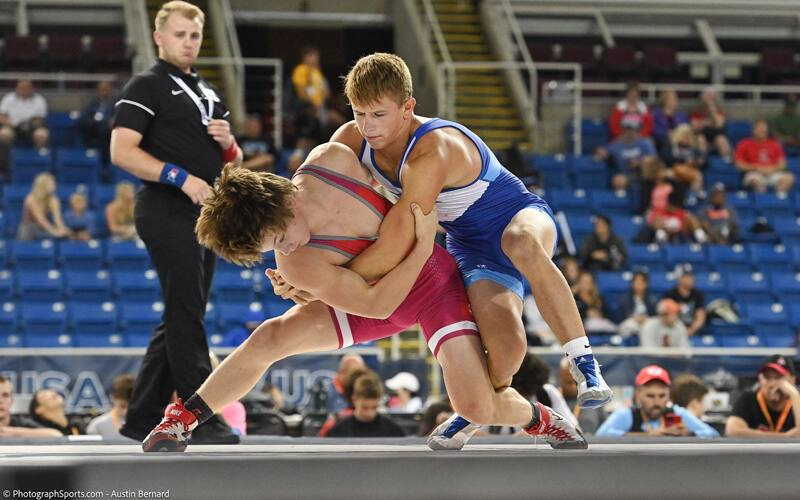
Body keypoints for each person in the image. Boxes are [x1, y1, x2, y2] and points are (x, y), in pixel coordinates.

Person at [140, 143, 586, 452]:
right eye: (270, 250)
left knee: (474, 404)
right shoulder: (297, 262)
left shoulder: (332, 161)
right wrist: (418, 241)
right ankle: (184, 417)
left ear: (281, 203)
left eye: (278, 236)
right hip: (382, 296)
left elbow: (382, 137)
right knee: (269, 338)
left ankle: (539, 417)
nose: (284, 250)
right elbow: (376, 305)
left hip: (434, 285)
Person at [324, 53, 611, 448]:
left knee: (521, 244)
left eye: (379, 114)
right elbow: (318, 196)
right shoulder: (350, 140)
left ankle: (585, 363)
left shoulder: (432, 151)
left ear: (408, 108)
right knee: (507, 351)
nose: (368, 126)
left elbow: (399, 237)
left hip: (518, 215)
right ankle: (476, 411)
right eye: (359, 114)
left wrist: (330, 279)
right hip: (471, 245)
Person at [109, 0, 242, 445]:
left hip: (203, 210)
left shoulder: (207, 90)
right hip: (166, 206)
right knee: (186, 313)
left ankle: (141, 414)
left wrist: (229, 145)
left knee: (183, 313)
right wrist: (179, 177)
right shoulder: (146, 85)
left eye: (195, 36)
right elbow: (121, 151)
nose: (189, 43)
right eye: (180, 34)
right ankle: (198, 416)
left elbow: (233, 160)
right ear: (159, 37)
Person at [595, 365, 719, 438]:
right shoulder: (627, 415)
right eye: (650, 396)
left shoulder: (676, 413)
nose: (657, 402)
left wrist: (689, 433)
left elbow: (713, 434)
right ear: (638, 395)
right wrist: (647, 436)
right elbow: (601, 436)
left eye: (662, 396)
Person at [725, 355, 800, 437]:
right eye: (767, 378)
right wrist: (786, 437)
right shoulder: (748, 399)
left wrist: (794, 395)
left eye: (778, 377)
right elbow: (732, 431)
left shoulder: (796, 400)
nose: (771, 384)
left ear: (792, 380)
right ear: (760, 379)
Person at [327, 371, 405, 438]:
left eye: (374, 407)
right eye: (364, 407)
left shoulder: (393, 430)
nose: (369, 413)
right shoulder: (339, 431)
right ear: (354, 399)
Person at [734, 119, 795, 194]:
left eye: (764, 129)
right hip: (754, 173)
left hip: (772, 172)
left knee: (789, 178)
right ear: (753, 130)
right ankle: (761, 201)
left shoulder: (774, 144)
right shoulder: (744, 144)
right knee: (756, 182)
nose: (762, 131)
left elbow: (783, 164)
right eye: (759, 129)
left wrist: (772, 169)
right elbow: (739, 164)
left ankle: (777, 199)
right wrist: (756, 167)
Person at [17, 172, 69, 240]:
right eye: (52, 183)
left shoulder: (54, 200)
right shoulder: (31, 199)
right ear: (43, 185)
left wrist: (62, 229)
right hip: (29, 227)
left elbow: (57, 219)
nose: (55, 185)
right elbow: (41, 220)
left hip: (44, 227)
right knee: (28, 231)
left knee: (66, 235)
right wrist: (54, 232)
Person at [0, 79, 49, 148]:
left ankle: (39, 155)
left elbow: (40, 118)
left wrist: (31, 124)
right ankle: (6, 156)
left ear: (31, 88)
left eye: (26, 88)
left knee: (42, 134)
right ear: (17, 88)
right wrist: (12, 124)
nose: (24, 90)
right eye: (21, 88)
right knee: (4, 133)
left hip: (32, 127)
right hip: (12, 126)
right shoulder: (8, 98)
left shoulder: (39, 100)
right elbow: (1, 116)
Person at [86, 374, 135, 439]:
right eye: (122, 406)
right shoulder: (97, 426)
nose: (126, 411)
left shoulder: (146, 425)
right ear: (112, 398)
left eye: (131, 406)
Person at [663, 264, 706, 336]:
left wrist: (691, 329)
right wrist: (681, 330)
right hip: (674, 332)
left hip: (693, 332)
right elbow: (668, 317)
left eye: (691, 275)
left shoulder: (698, 295)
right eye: (687, 276)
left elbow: (700, 316)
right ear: (679, 278)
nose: (691, 278)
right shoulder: (670, 295)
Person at [690, 87, 731, 159]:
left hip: (716, 137)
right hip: (702, 136)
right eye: (707, 97)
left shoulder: (719, 112)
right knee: (700, 139)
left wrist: (712, 109)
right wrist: (707, 122)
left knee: (721, 139)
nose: (709, 100)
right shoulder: (696, 112)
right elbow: (694, 128)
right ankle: (702, 161)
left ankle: (726, 162)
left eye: (711, 97)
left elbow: (719, 124)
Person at [79, 80, 115, 159]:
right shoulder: (93, 103)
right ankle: (88, 152)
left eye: (106, 89)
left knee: (103, 126)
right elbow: (85, 116)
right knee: (82, 122)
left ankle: (104, 158)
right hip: (93, 127)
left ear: (110, 90)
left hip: (107, 130)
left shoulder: (114, 103)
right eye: (102, 90)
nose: (104, 92)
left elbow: (117, 116)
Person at [617, 271, 658, 338]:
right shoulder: (625, 300)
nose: (639, 284)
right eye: (636, 281)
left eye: (642, 282)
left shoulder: (652, 300)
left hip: (647, 325)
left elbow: (655, 316)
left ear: (646, 284)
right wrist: (634, 318)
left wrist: (646, 319)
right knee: (629, 325)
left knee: (651, 325)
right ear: (632, 284)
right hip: (631, 324)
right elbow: (621, 318)